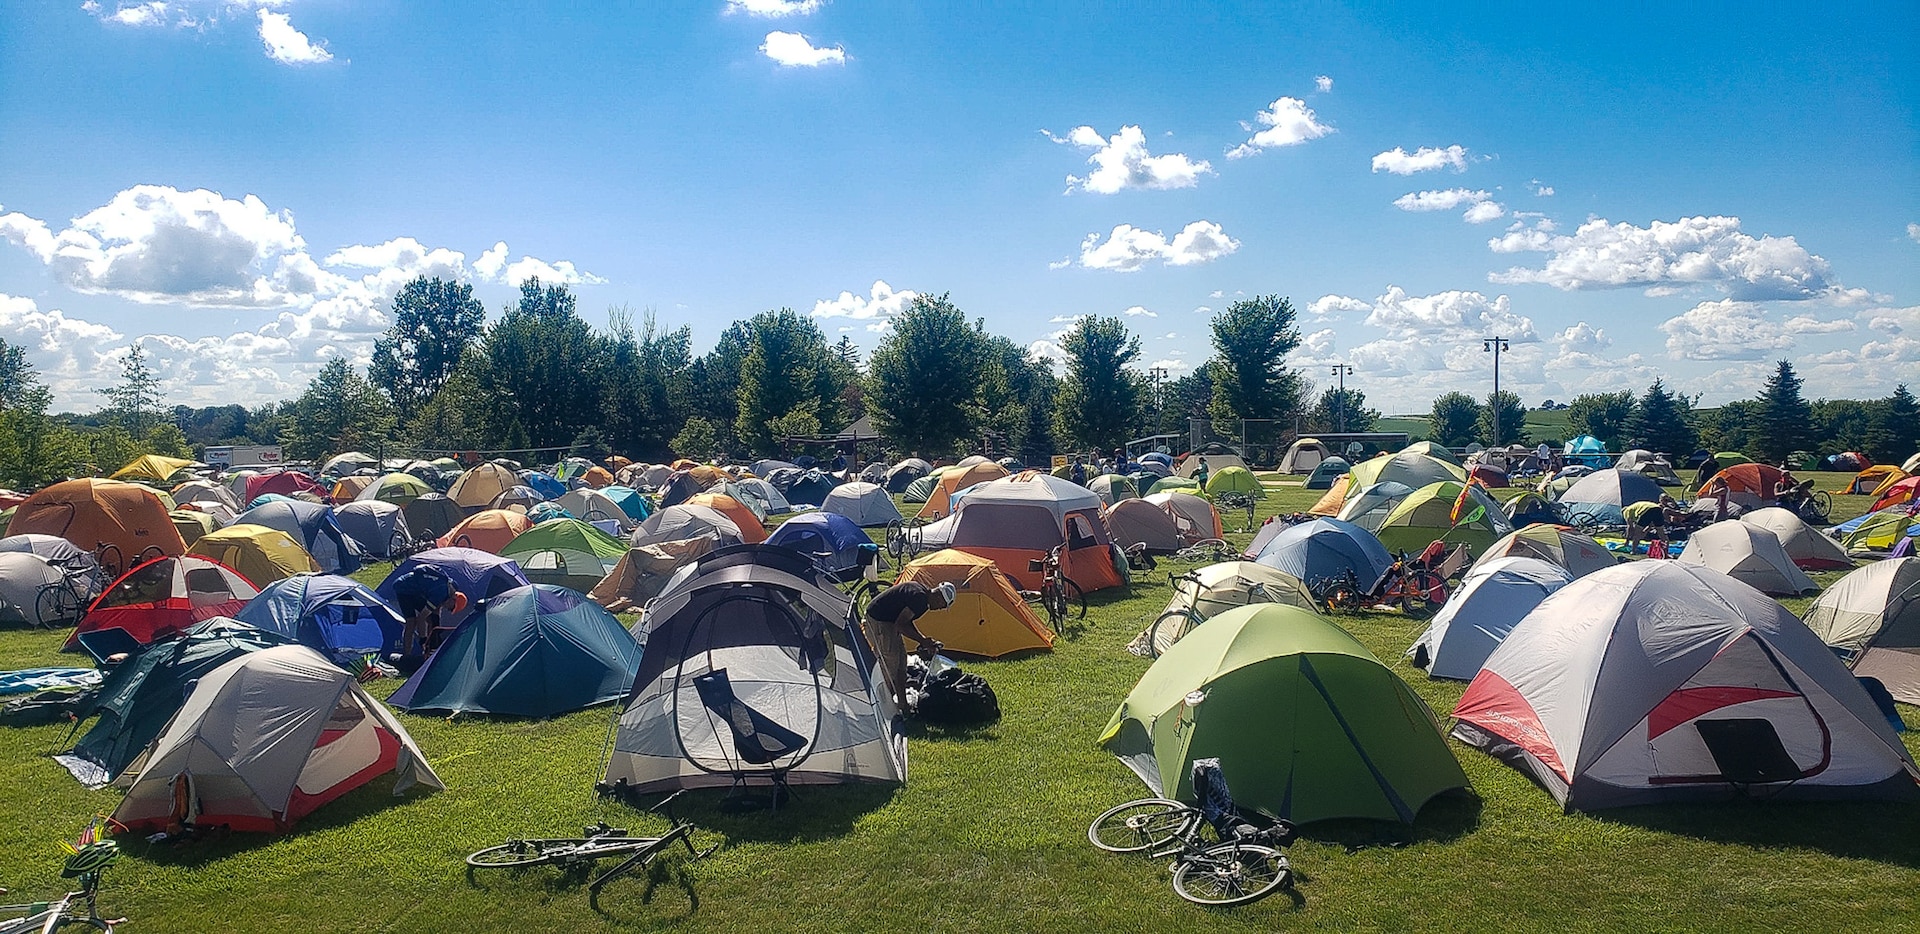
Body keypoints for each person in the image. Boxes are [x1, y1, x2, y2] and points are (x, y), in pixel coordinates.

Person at [862, 580, 956, 709]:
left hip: (888, 620)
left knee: (902, 664)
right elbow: (900, 625)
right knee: (890, 667)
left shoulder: (922, 593)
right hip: (878, 621)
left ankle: (902, 704)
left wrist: (923, 640)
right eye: (942, 605)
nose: (940, 608)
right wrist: (923, 641)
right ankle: (881, 707)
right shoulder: (920, 600)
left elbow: (906, 621)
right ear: (939, 596)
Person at [388, 565, 468, 674]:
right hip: (404, 588)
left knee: (431, 618)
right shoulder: (440, 593)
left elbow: (436, 610)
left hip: (416, 591)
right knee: (412, 622)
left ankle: (429, 651)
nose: (448, 609)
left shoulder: (452, 587)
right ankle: (407, 657)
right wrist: (423, 640)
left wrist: (436, 631)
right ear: (453, 599)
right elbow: (422, 618)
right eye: (452, 608)